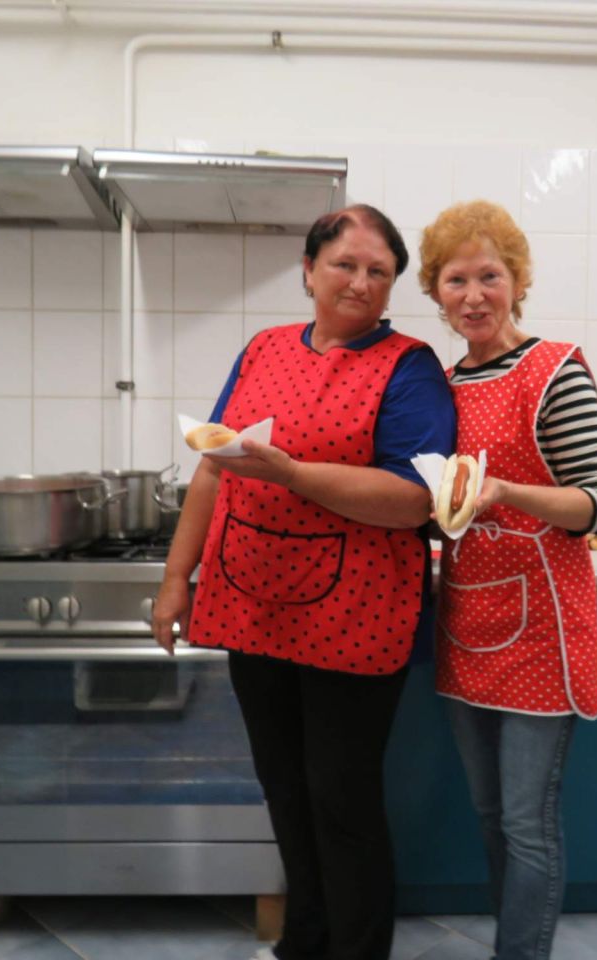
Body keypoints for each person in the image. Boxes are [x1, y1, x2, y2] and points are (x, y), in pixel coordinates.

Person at [152, 203, 456, 960]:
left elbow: (412, 499)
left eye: (378, 271)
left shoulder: (410, 367)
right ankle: (304, 944)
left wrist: (292, 473)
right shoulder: (263, 350)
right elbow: (213, 468)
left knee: (341, 801)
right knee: (285, 789)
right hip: (251, 601)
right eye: (344, 264)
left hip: (356, 614)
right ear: (309, 271)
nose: (360, 281)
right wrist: (176, 576)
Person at [418, 200, 597, 960]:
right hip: (467, 618)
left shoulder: (553, 371)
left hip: (540, 627)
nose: (473, 296)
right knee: (489, 812)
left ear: (518, 281)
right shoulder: (440, 385)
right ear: (436, 293)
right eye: (456, 280)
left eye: (489, 276)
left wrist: (503, 491)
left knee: (527, 822)